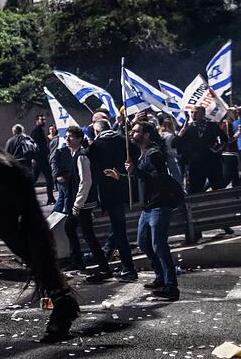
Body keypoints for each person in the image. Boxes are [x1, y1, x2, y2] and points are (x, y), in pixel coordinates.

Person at [104, 121, 182, 301]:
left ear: (146, 135)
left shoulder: (154, 153)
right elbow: (143, 179)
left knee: (159, 246)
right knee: (144, 242)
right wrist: (123, 176)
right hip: (148, 207)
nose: (131, 133)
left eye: (136, 131)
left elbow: (158, 179)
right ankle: (160, 277)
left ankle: (171, 287)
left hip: (159, 205)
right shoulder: (143, 153)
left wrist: (135, 171)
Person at [87, 119, 137, 281]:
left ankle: (129, 268)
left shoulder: (95, 147)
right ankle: (109, 251)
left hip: (108, 193)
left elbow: (92, 172)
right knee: (118, 227)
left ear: (96, 132)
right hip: (125, 188)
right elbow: (135, 156)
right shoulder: (124, 142)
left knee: (119, 230)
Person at [62, 125, 113, 281]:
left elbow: (86, 181)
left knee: (88, 235)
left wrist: (78, 203)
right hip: (79, 202)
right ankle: (77, 261)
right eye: (66, 137)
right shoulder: (74, 154)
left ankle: (104, 269)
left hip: (83, 203)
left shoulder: (81, 156)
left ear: (79, 139)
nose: (67, 139)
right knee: (70, 228)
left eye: (70, 137)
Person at [172, 106, 226, 193]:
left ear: (203, 114)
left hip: (212, 162)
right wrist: (182, 131)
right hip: (195, 164)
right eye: (193, 112)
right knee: (195, 190)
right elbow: (174, 144)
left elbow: (224, 139)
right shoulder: (188, 128)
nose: (194, 115)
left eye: (197, 112)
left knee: (218, 188)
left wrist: (218, 149)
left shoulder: (212, 125)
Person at [31, 114, 55, 205]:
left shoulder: (40, 131)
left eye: (44, 119)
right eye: (42, 119)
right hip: (40, 159)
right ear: (37, 120)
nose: (44, 121)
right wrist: (34, 158)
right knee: (48, 178)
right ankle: (51, 198)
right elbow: (34, 145)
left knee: (34, 178)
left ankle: (50, 198)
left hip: (41, 158)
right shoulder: (36, 131)